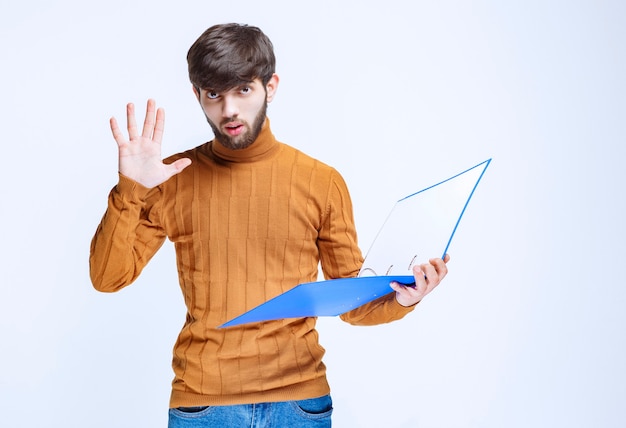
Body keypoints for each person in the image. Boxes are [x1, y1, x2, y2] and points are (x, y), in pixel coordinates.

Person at [90, 23, 449, 428]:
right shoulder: (173, 177)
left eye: (243, 90)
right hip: (204, 407)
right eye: (214, 94)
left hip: (299, 404)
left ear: (270, 86)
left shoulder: (320, 181)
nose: (229, 110)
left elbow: (348, 297)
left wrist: (405, 298)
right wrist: (130, 189)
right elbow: (108, 277)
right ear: (198, 96)